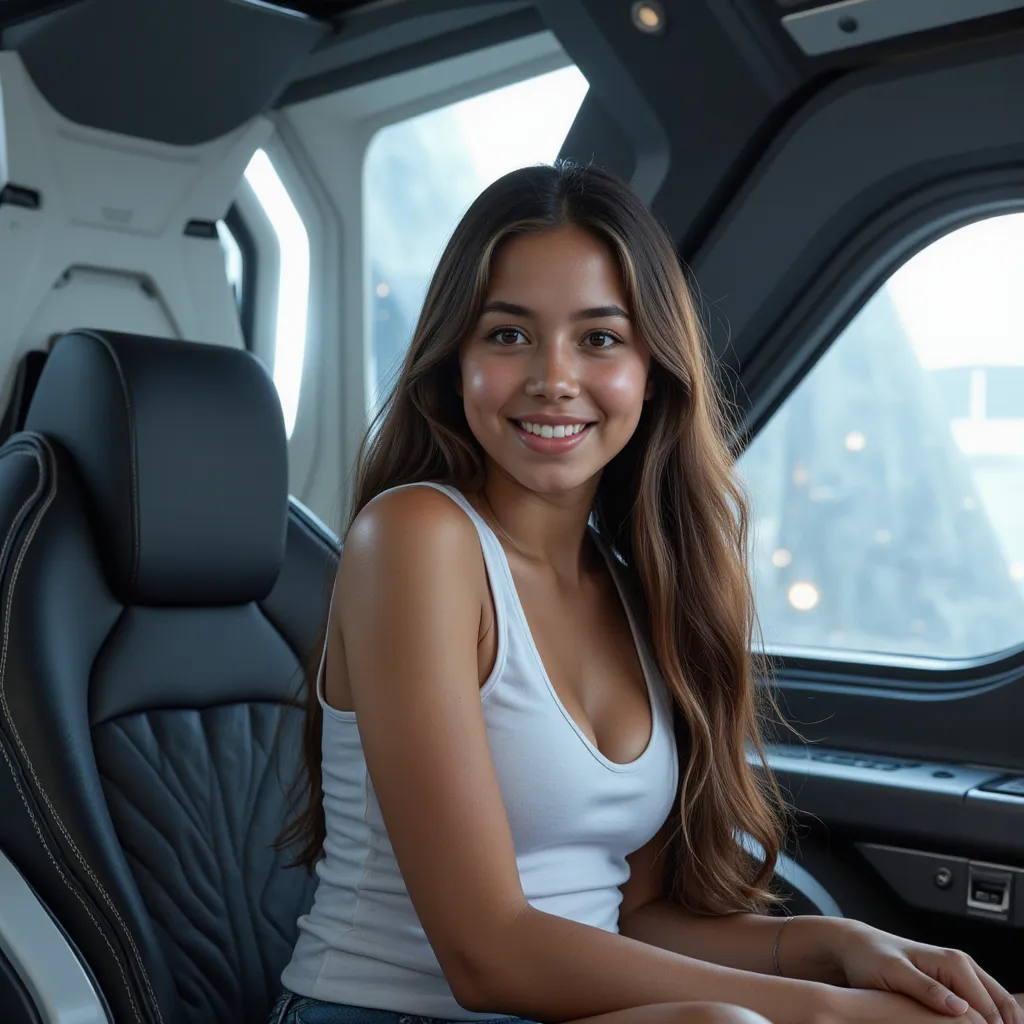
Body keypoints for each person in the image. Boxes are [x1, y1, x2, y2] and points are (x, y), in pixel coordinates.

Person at [270, 163, 1023, 1024]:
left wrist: (842, 948)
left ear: (652, 371)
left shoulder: (634, 587)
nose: (554, 378)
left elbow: (635, 919)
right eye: (509, 336)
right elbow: (487, 953)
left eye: (599, 338)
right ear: (455, 363)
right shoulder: (413, 540)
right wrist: (825, 1013)